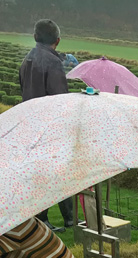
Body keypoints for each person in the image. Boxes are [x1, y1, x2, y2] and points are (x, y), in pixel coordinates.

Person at [18, 19, 75, 232]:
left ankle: (67, 218)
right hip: (50, 127)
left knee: (42, 173)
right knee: (55, 173)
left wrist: (61, 60)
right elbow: (60, 100)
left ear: (35, 37)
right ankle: (45, 219)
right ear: (58, 40)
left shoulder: (27, 60)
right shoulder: (52, 63)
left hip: (30, 124)